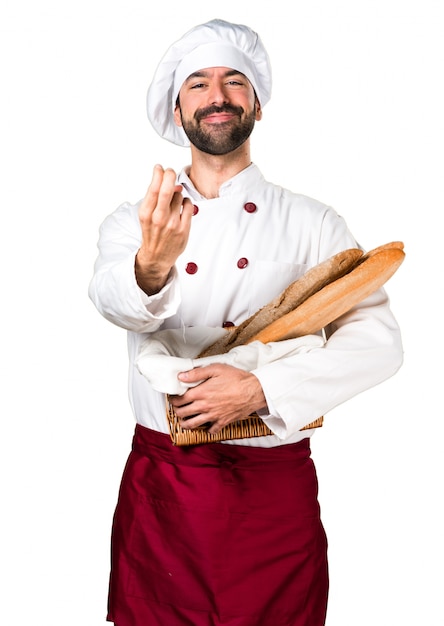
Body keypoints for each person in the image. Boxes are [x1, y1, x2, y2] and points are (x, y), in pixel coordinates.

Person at [88, 18, 403, 626]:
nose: (218, 96)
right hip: (166, 489)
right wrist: (151, 264)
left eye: (235, 81)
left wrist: (262, 388)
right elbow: (110, 300)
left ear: (256, 102)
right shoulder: (135, 221)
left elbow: (378, 342)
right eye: (199, 83)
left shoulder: (315, 222)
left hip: (273, 490)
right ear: (177, 107)